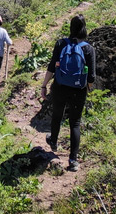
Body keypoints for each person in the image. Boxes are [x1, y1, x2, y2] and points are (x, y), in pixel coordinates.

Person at [40, 15, 96, 172]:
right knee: (75, 123)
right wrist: (87, 88)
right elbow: (91, 77)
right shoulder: (88, 48)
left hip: (60, 86)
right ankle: (73, 160)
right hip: (78, 89)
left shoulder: (60, 43)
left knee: (57, 115)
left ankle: (54, 141)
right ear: (85, 27)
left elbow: (52, 67)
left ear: (71, 28)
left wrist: (44, 86)